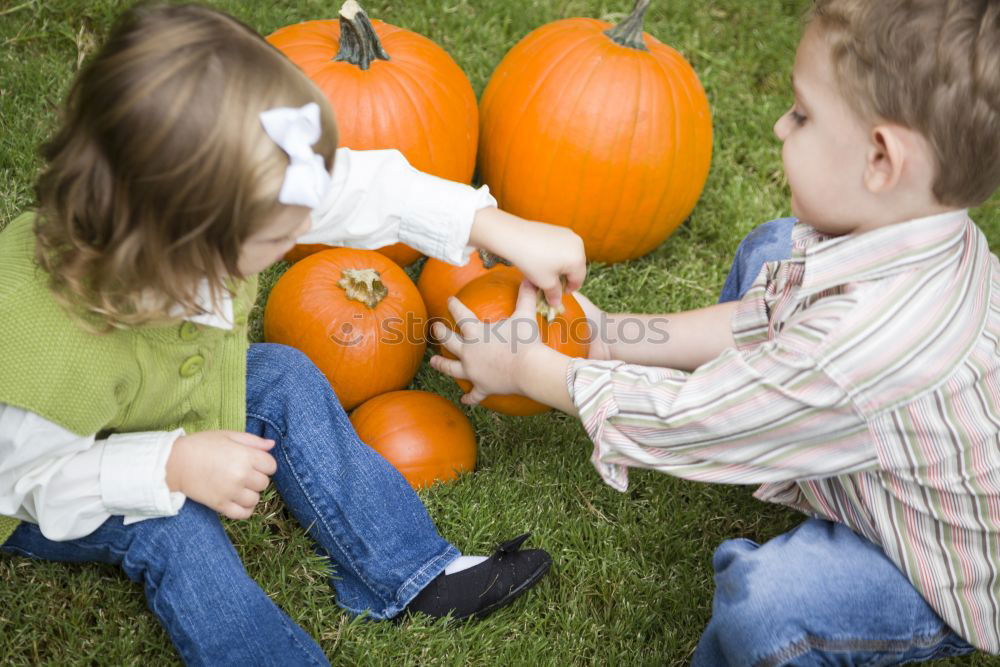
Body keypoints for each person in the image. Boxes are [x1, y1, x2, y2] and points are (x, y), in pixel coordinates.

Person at [0, 3, 588, 665]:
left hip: (141, 405)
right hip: (48, 483)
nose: (301, 233)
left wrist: (496, 228)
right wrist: (167, 465)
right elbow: (21, 476)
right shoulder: (44, 346)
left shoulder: (206, 216)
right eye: (281, 236)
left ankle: (412, 572)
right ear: (194, 245)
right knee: (174, 526)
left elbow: (355, 190)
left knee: (283, 373)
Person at [430, 0, 1000, 663]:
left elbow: (693, 419)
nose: (780, 127)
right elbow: (763, 320)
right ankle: (791, 436)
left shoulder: (861, 348)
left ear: (880, 158)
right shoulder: (917, 239)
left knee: (770, 606)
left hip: (935, 561)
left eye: (803, 115)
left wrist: (532, 370)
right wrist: (609, 333)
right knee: (775, 250)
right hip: (874, 435)